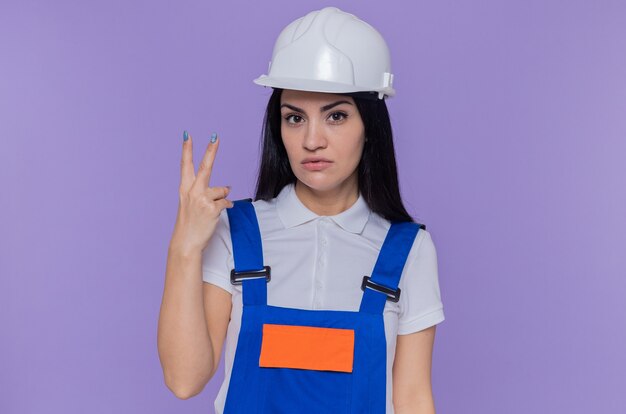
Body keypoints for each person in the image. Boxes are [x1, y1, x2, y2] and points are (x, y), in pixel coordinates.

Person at [157, 6, 444, 414]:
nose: (312, 140)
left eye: (336, 116)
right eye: (294, 117)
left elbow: (413, 397)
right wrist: (183, 248)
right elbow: (185, 380)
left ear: (370, 127)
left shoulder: (408, 250)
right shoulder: (237, 232)